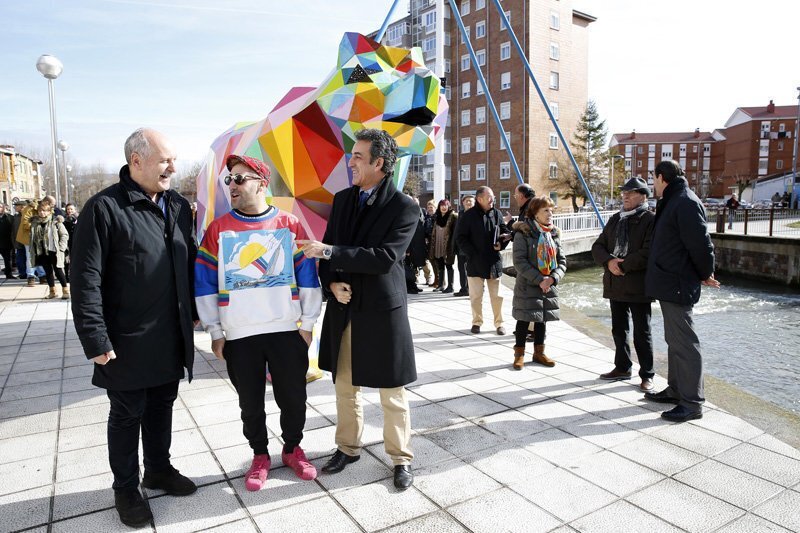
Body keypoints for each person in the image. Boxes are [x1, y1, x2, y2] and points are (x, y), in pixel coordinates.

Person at [71, 128, 198, 527]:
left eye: (174, 160)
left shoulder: (178, 205)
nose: (172, 168)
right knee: (127, 414)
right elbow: (85, 278)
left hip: (170, 333)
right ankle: (126, 488)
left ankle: (158, 469)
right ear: (136, 160)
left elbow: (189, 260)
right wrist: (95, 337)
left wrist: (196, 311)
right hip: (125, 339)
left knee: (162, 405)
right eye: (165, 160)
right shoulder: (104, 208)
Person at [299, 128, 418, 490]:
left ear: (379, 163)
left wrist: (330, 252)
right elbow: (328, 251)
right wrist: (331, 284)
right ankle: (347, 448)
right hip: (345, 308)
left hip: (383, 311)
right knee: (345, 385)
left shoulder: (404, 207)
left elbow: (385, 258)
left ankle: (400, 458)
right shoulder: (342, 200)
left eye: (357, 156)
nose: (350, 162)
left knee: (391, 391)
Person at [195, 154, 322, 491]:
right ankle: (260, 455)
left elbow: (308, 276)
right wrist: (214, 330)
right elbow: (204, 282)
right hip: (240, 335)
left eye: (240, 179)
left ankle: (293, 449)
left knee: (293, 398)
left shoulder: (289, 224)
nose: (232, 185)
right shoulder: (217, 229)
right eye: (229, 180)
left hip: (286, 331)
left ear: (262, 184)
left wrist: (307, 324)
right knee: (250, 404)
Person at [644, 160, 719, 423]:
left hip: (677, 282)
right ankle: (676, 390)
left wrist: (705, 273)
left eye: (653, 178)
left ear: (661, 177)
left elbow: (701, 244)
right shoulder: (674, 199)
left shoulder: (685, 201)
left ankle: (692, 403)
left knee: (685, 343)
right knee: (674, 339)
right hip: (669, 282)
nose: (652, 184)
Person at [591, 177, 655, 391]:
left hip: (638, 285)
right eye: (624, 192)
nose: (625, 196)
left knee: (642, 332)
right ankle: (622, 367)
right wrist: (609, 261)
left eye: (631, 192)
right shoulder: (615, 219)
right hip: (615, 283)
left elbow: (648, 252)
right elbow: (598, 246)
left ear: (643, 196)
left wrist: (623, 265)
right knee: (619, 329)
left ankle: (647, 374)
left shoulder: (650, 220)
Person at [510, 197, 566, 369]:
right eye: (546, 210)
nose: (550, 214)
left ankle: (539, 353)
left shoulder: (553, 233)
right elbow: (519, 262)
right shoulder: (523, 233)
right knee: (524, 319)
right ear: (535, 213)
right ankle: (519, 354)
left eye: (551, 210)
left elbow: (562, 261)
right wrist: (540, 280)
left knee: (542, 319)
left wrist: (553, 278)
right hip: (528, 285)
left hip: (548, 284)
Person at [455, 186, 511, 335]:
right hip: (475, 262)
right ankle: (476, 322)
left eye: (493, 197)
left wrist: (501, 244)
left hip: (493, 261)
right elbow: (460, 238)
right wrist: (472, 253)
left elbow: (505, 232)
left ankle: (499, 323)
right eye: (489, 197)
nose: (492, 200)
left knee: (497, 296)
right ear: (479, 199)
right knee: (475, 296)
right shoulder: (468, 215)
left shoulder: (497, 213)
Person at [29, 201, 69, 299]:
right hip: (41, 251)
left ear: (49, 211)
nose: (42, 213)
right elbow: (32, 237)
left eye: (44, 211)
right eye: (40, 211)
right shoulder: (35, 222)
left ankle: (65, 290)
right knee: (48, 272)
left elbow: (64, 235)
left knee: (58, 271)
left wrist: (61, 247)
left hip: (54, 250)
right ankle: (52, 291)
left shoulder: (56, 222)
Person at [428, 199, 457, 293]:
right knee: (440, 264)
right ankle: (441, 285)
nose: (443, 207)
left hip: (448, 245)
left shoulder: (453, 217)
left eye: (445, 205)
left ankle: (450, 286)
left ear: (449, 206)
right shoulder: (437, 217)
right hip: (437, 243)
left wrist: (453, 245)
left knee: (449, 265)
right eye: (442, 205)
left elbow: (455, 233)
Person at [452, 195, 474, 297]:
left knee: (472, 269)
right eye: (466, 201)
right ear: (463, 203)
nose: (468, 203)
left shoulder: (476, 214)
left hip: (472, 247)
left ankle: (472, 289)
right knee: (461, 268)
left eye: (470, 201)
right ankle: (463, 289)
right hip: (460, 246)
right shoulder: (460, 214)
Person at [422, 199, 437, 287]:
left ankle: (439, 281)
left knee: (437, 262)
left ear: (435, 208)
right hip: (429, 242)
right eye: (428, 207)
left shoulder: (437, 217)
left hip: (436, 242)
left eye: (431, 207)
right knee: (432, 261)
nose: (430, 209)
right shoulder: (426, 217)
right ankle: (436, 281)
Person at [63, 203, 78, 282]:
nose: (69, 211)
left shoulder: (78, 219)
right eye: (68, 209)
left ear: (75, 210)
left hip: (76, 241)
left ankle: (75, 275)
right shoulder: (64, 219)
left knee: (75, 259)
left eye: (71, 209)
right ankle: (66, 276)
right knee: (66, 260)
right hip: (66, 241)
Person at [0, 203, 14, 278]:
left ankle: (9, 274)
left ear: (4, 208)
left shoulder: (10, 218)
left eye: (0, 207)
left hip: (6, 242)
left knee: (8, 259)